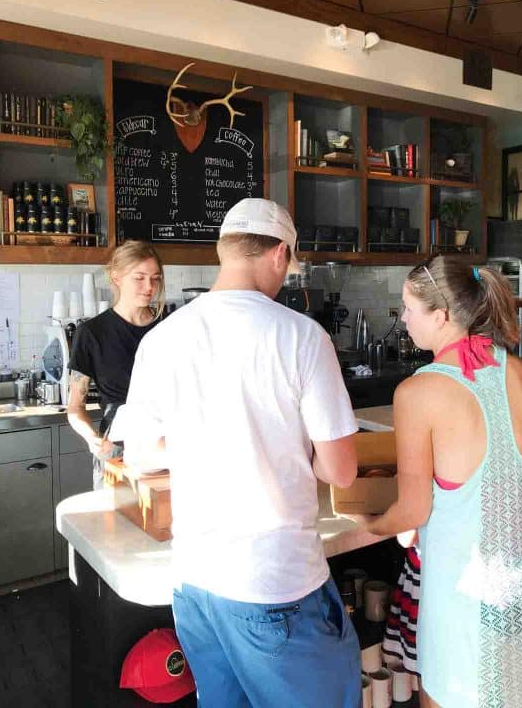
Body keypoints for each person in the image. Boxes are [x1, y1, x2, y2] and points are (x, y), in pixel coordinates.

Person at [121, 198, 362, 708]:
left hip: (196, 583)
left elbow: (140, 456)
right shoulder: (301, 337)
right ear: (279, 254)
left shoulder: (162, 339)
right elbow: (341, 470)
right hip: (275, 584)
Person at [351, 255, 522, 708]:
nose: (404, 318)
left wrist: (368, 524)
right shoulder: (521, 372)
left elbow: (413, 511)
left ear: (442, 316)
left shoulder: (417, 392)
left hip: (466, 592)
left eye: (409, 308)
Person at [67, 240, 164, 489]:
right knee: (114, 525)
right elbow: (75, 407)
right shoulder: (91, 333)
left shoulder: (170, 327)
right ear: (116, 277)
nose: (149, 287)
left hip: (165, 447)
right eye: (139, 278)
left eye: (155, 278)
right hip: (117, 449)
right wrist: (93, 439)